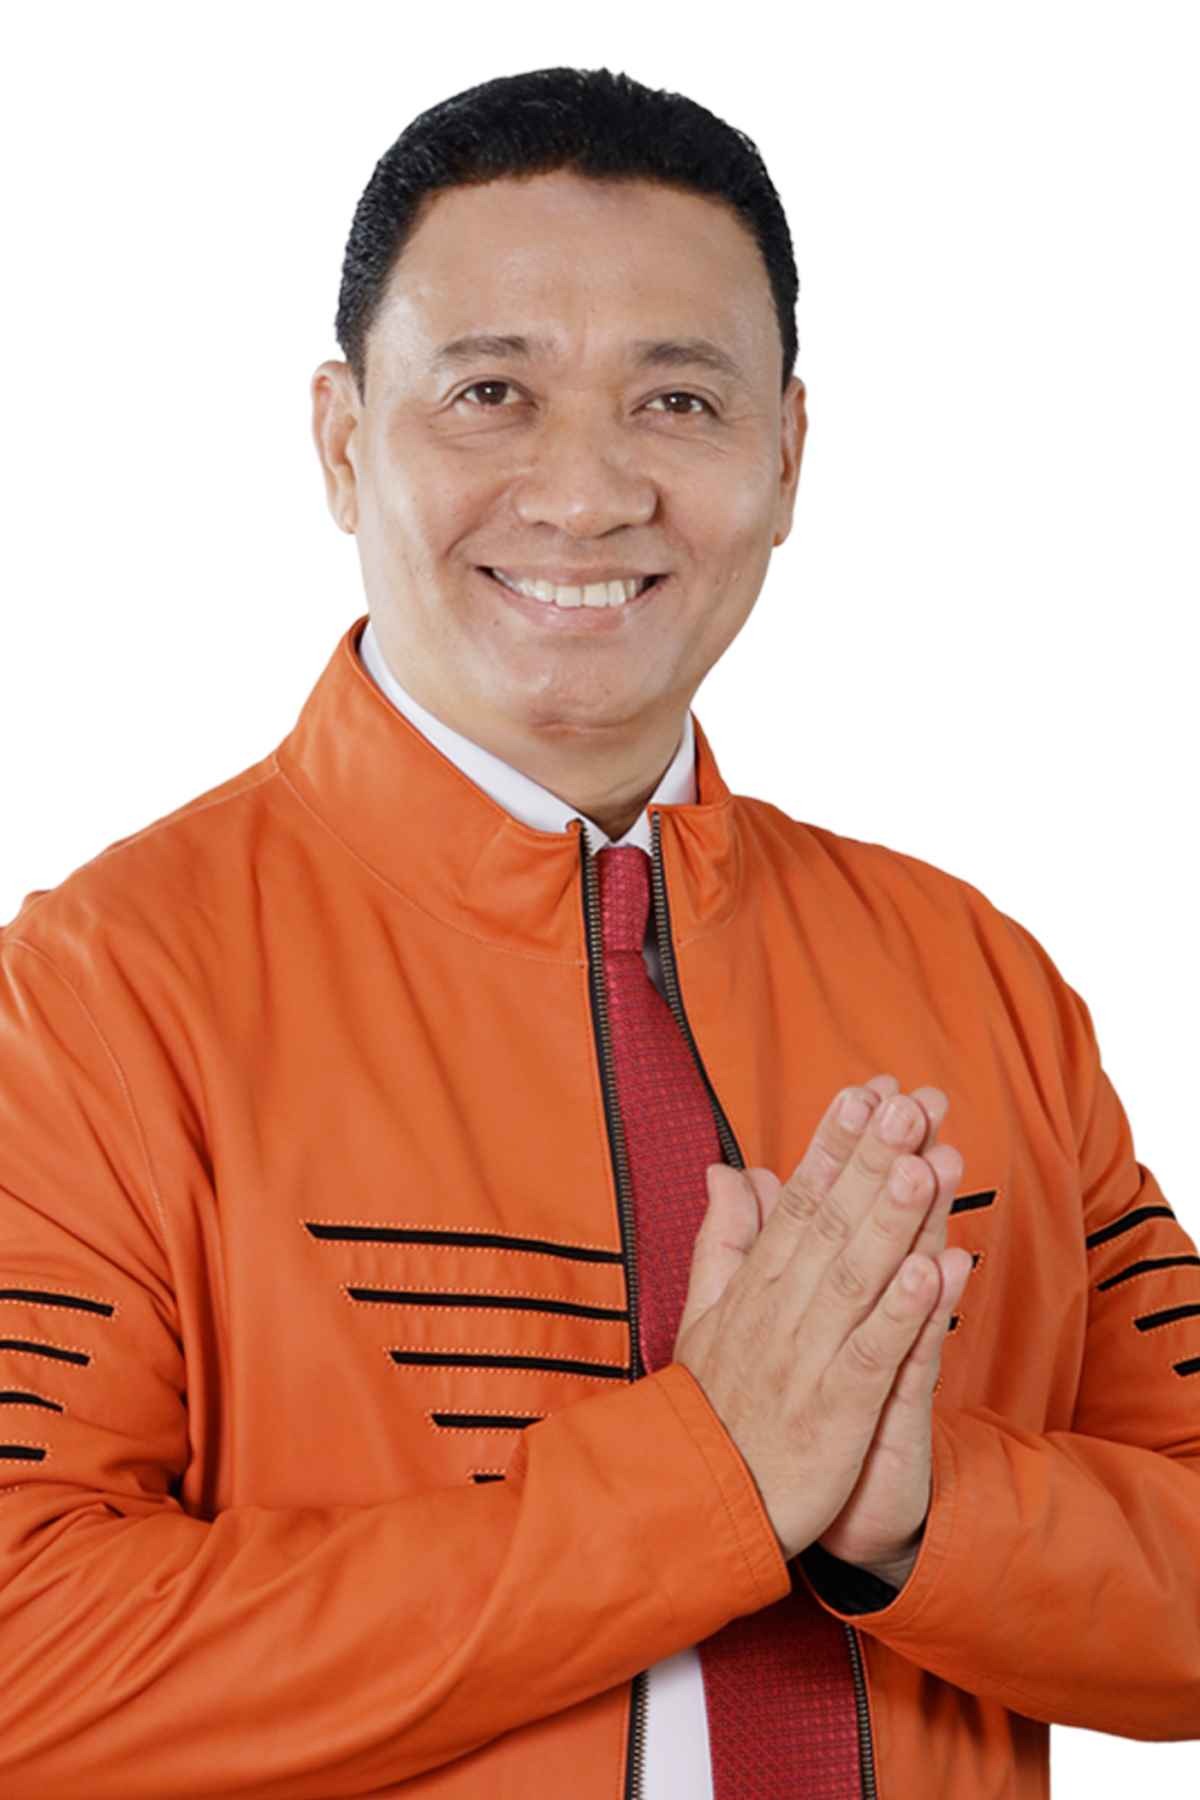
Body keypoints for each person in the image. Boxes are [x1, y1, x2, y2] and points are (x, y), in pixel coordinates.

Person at [0, 62, 1196, 1800]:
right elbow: (26, 1657)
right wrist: (709, 1483)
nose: (585, 495)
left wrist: (918, 1509)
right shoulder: (100, 998)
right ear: (342, 442)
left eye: (678, 402)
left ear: (788, 457)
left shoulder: (978, 979)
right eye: (490, 392)